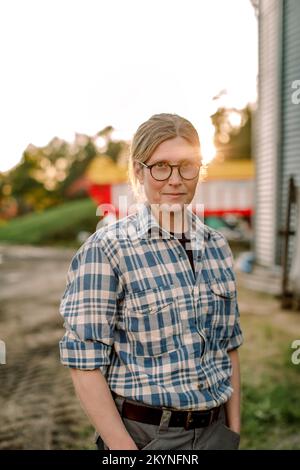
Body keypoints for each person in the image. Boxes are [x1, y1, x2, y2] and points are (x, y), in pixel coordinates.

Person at [59, 113, 243, 450]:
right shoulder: (106, 250)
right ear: (139, 171)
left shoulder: (217, 247)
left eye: (187, 165)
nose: (175, 179)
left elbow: (229, 348)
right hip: (145, 438)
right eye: (161, 166)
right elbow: (84, 366)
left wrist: (233, 432)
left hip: (216, 435)